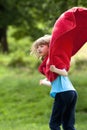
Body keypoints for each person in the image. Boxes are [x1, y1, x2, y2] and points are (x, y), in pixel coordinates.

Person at [30, 34, 77, 130]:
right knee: (68, 125)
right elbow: (55, 83)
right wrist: (44, 82)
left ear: (49, 46)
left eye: (42, 46)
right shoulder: (48, 62)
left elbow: (64, 73)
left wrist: (55, 69)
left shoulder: (53, 59)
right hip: (71, 93)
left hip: (63, 93)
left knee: (54, 124)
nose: (39, 49)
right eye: (37, 47)